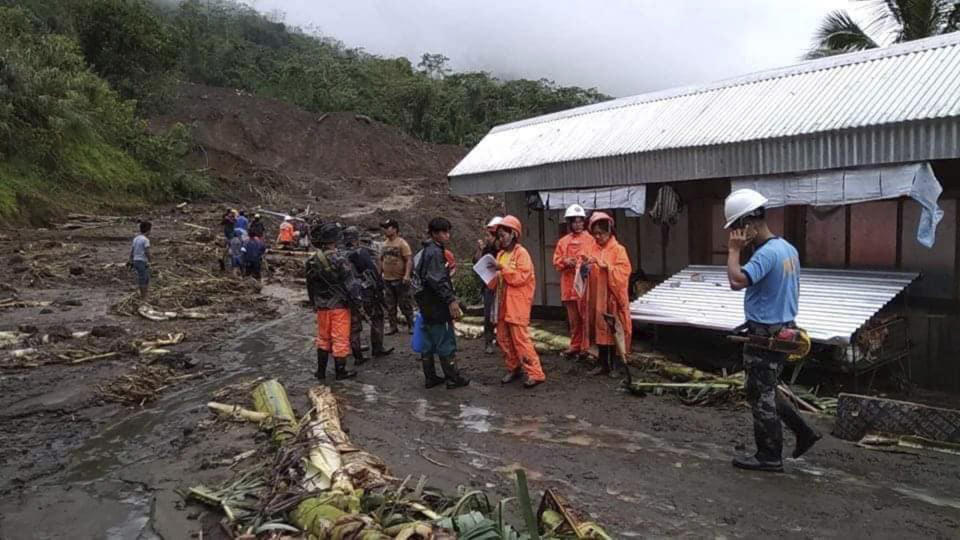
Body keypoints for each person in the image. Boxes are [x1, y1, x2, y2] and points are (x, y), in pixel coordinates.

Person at [724, 188, 821, 473]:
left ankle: (769, 454)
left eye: (738, 228)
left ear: (750, 223)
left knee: (760, 395)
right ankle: (803, 430)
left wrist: (733, 251)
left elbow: (736, 280)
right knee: (764, 389)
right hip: (783, 330)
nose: (737, 235)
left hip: (765, 335)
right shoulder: (787, 249)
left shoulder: (766, 254)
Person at [412, 217, 469, 389]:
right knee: (445, 340)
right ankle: (453, 378)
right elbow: (438, 280)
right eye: (444, 232)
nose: (447, 236)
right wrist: (451, 300)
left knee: (428, 341)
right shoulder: (435, 253)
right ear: (435, 234)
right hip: (436, 303)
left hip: (425, 303)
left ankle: (430, 377)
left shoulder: (423, 252)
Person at [490, 215, 546, 388]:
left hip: (517, 304)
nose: (500, 239)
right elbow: (496, 279)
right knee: (503, 338)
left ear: (513, 234)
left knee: (520, 340)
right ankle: (513, 367)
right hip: (502, 303)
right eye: (498, 236)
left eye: (503, 235)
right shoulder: (500, 254)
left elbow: (521, 277)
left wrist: (502, 270)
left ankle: (535, 373)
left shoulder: (522, 254)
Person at [306, 222, 362, 381]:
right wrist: (357, 302)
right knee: (340, 339)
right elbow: (350, 284)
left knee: (323, 338)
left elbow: (309, 286)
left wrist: (313, 303)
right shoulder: (340, 259)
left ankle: (321, 372)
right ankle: (341, 372)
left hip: (322, 307)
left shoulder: (311, 260)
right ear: (335, 240)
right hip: (339, 306)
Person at [579, 212, 632, 377]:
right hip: (596, 297)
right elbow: (582, 271)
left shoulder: (618, 250)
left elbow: (624, 272)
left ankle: (618, 365)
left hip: (612, 297)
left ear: (609, 232)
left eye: (601, 233)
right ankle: (602, 363)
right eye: (595, 233)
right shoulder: (591, 248)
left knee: (615, 329)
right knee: (600, 329)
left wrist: (605, 266)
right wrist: (584, 268)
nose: (598, 236)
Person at [343, 226, 393, 362]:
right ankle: (377, 348)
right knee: (377, 316)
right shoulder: (360, 253)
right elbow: (372, 272)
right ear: (355, 239)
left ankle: (358, 355)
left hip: (349, 294)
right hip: (367, 291)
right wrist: (379, 287)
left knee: (354, 324)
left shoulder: (340, 254)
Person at [553, 204, 591, 359]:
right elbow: (556, 261)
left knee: (586, 318)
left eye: (580, 221)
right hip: (568, 286)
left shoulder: (591, 239)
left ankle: (587, 347)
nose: (578, 224)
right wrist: (564, 261)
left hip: (584, 285)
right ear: (569, 223)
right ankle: (575, 345)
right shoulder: (563, 242)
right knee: (574, 320)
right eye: (575, 221)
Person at [380, 219, 415, 335]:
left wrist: (407, 275)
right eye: (384, 227)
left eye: (387, 227)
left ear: (394, 229)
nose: (385, 230)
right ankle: (393, 327)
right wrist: (380, 273)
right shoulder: (384, 244)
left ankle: (411, 325)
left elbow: (409, 260)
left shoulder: (402, 243)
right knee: (390, 305)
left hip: (400, 279)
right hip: (387, 279)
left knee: (405, 303)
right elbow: (381, 260)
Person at [472, 216, 502, 353]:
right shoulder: (487, 247)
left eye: (491, 235)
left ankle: (501, 339)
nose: (488, 237)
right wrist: (480, 249)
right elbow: (477, 261)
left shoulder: (507, 249)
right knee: (489, 313)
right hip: (489, 284)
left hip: (504, 284)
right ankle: (488, 341)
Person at [128, 221, 152, 300]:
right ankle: (143, 297)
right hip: (141, 261)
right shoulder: (145, 240)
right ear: (148, 230)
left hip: (136, 260)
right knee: (143, 278)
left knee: (146, 277)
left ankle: (145, 295)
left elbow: (132, 250)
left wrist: (130, 260)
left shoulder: (136, 239)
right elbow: (147, 251)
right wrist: (151, 260)